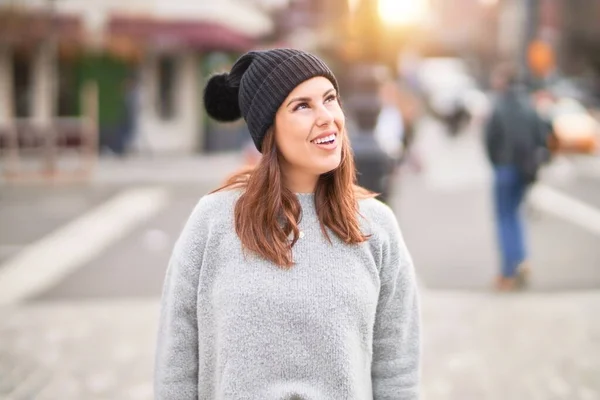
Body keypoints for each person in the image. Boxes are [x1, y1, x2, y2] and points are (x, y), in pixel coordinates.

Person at [154, 48, 421, 399]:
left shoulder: (376, 225)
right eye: (302, 106)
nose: (327, 117)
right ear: (269, 129)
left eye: (330, 99)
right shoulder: (214, 220)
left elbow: (397, 372)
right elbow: (176, 364)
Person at [484, 63, 549, 292]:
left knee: (504, 218)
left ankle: (508, 272)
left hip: (504, 168)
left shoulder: (499, 105)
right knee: (516, 216)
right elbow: (543, 135)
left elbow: (490, 139)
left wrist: (496, 162)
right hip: (525, 170)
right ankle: (522, 260)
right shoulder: (530, 105)